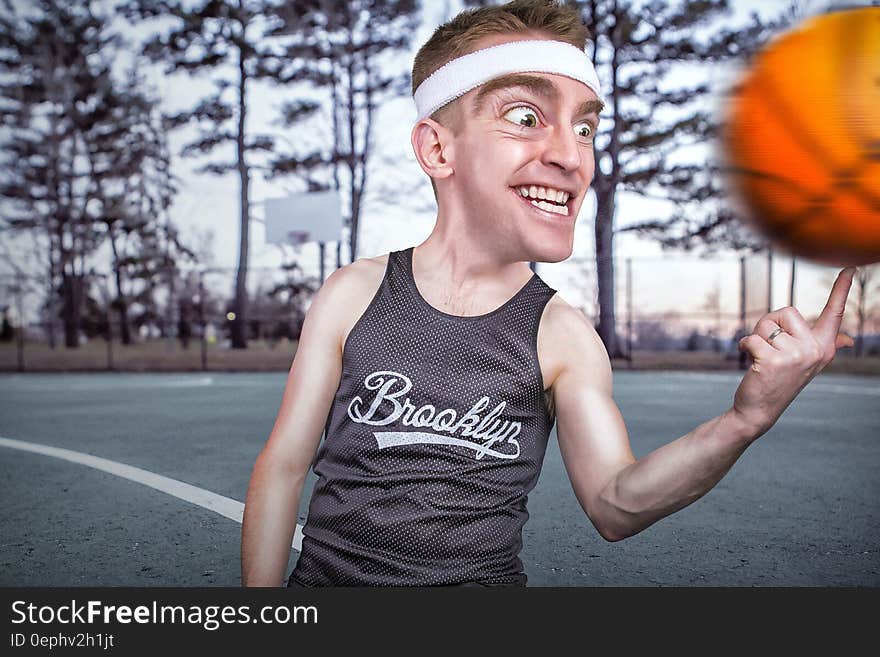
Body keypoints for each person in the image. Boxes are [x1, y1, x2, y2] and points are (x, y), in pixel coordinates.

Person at [240, 0, 856, 587]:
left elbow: (617, 504)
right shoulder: (353, 295)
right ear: (437, 148)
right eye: (526, 116)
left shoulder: (562, 335)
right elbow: (284, 468)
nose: (570, 155)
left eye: (584, 127)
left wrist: (747, 419)